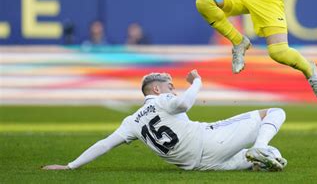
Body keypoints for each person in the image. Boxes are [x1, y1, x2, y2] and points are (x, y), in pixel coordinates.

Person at [42, 70, 288, 172]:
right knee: (274, 113)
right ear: (157, 90)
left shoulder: (132, 121)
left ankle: (259, 156)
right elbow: (183, 104)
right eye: (170, 86)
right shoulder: (162, 100)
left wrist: (71, 166)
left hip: (201, 166)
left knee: (272, 157)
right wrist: (198, 82)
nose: (174, 88)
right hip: (211, 141)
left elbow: (105, 144)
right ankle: (260, 147)